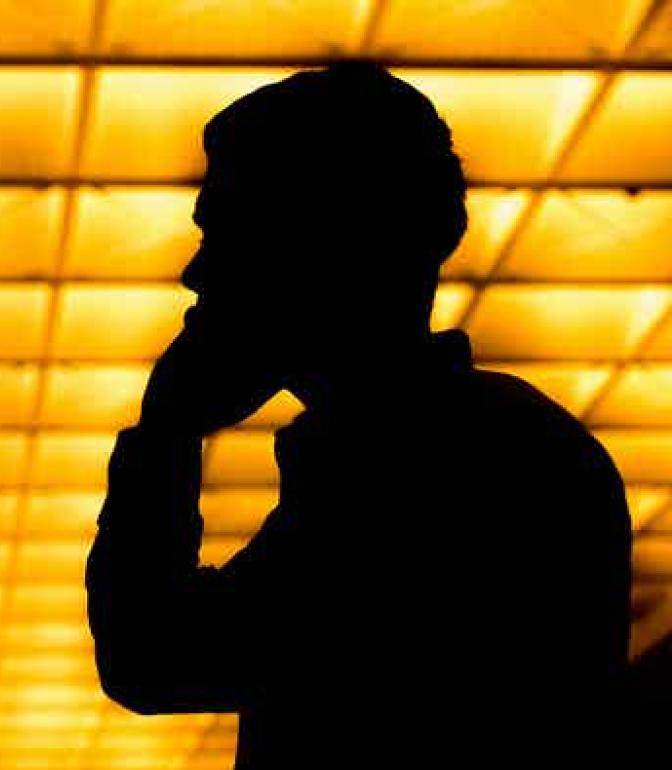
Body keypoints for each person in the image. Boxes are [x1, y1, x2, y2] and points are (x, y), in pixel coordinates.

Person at [84, 62, 632, 767]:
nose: (197, 274)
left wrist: (167, 431)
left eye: (226, 233)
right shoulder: (473, 446)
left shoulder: (438, 467)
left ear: (320, 249)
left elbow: (154, 655)